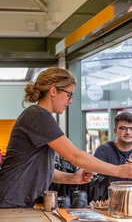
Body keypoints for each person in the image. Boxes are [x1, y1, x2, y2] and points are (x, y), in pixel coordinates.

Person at [0, 68, 132, 208]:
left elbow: (41, 170)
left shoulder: (39, 115)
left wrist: (73, 178)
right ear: (53, 91)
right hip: (9, 201)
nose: (70, 102)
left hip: (14, 200)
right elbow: (75, 156)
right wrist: (120, 170)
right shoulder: (39, 116)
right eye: (69, 95)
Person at [91, 111, 132, 201]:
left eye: (131, 128)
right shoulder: (103, 150)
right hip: (108, 203)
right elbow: (96, 181)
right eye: (123, 128)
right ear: (115, 131)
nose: (128, 132)